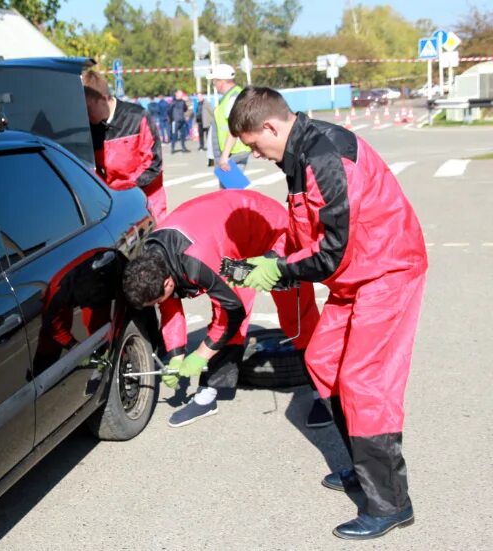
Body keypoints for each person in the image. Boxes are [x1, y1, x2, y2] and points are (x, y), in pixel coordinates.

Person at [229, 86, 428, 540]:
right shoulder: (296, 155)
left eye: (255, 145)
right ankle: (364, 468)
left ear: (271, 127)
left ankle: (391, 502)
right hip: (354, 275)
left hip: (386, 270)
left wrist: (280, 269)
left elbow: (331, 252)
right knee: (322, 362)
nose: (256, 155)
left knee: (363, 379)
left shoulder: (325, 158)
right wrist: (273, 258)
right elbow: (307, 231)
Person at [122, 190, 325, 428]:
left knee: (298, 318)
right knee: (229, 317)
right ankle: (210, 394)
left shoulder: (196, 261)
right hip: (229, 245)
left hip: (269, 229)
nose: (158, 305)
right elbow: (170, 307)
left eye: (157, 300)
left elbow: (231, 313)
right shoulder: (152, 259)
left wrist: (200, 356)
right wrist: (176, 357)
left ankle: (324, 393)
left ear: (168, 281)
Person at [82, 70, 167, 221]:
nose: (87, 115)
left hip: (147, 201)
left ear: (103, 99)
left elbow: (154, 164)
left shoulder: (137, 117)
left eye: (89, 109)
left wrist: (126, 190)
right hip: (116, 203)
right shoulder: (91, 128)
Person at [206, 64, 251, 172]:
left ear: (221, 81)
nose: (214, 85)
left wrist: (225, 156)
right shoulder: (230, 96)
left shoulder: (233, 97)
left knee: (232, 188)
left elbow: (234, 128)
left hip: (234, 153)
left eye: (214, 81)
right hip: (232, 152)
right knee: (227, 188)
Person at [168, 89, 189, 153]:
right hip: (175, 121)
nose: (181, 95)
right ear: (176, 94)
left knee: (183, 134)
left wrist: (185, 103)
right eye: (180, 94)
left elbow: (185, 109)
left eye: (182, 94)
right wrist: (172, 119)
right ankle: (173, 148)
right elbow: (169, 111)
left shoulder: (183, 101)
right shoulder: (173, 102)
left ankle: (183, 147)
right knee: (174, 135)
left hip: (182, 120)